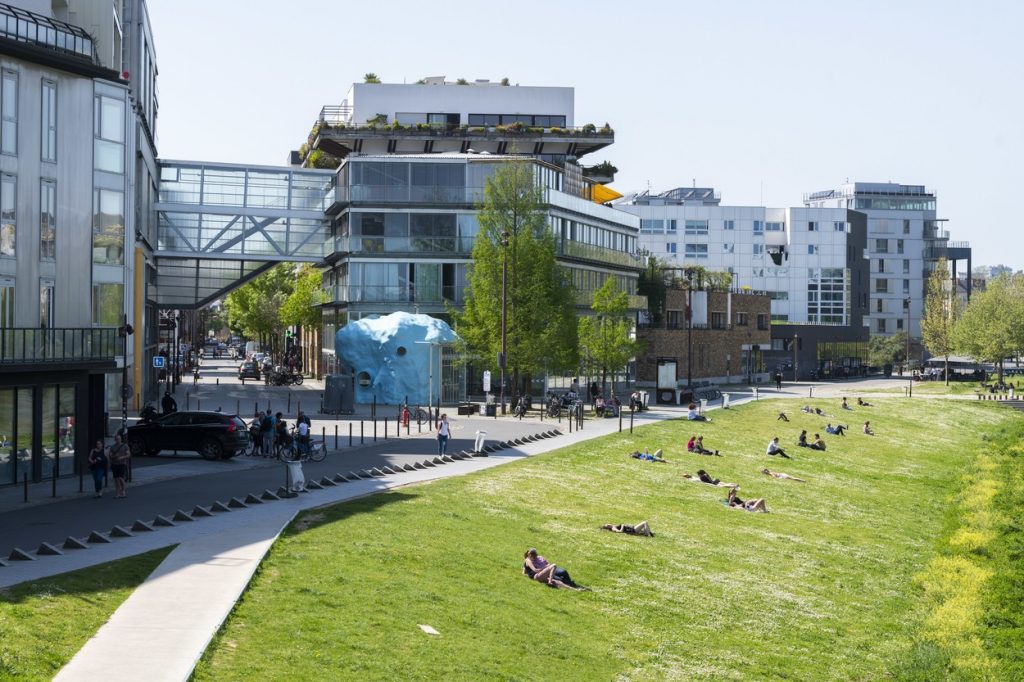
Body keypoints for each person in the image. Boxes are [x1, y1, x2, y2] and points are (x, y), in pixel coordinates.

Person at [108, 433, 131, 499]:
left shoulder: (125, 446)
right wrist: (115, 456)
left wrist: (122, 457)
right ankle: (118, 493)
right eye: (117, 439)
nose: (118, 440)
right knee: (116, 479)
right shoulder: (113, 447)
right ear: (115, 440)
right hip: (114, 464)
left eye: (119, 439)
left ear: (121, 439)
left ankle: (123, 491)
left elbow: (128, 455)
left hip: (122, 464)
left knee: (121, 478)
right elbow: (110, 455)